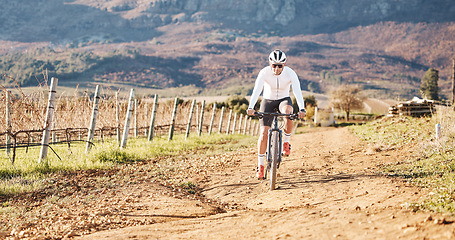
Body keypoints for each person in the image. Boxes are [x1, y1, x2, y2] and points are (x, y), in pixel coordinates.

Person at [247, 49, 306, 180]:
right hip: (267, 101)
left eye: (280, 65)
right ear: (270, 63)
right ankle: (260, 166)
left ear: (284, 64)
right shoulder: (264, 72)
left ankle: (286, 143)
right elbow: (257, 90)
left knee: (288, 113)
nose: (277, 68)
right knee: (263, 134)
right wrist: (251, 107)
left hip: (284, 100)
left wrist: (302, 109)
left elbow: (297, 91)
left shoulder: (290, 73)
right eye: (274, 65)